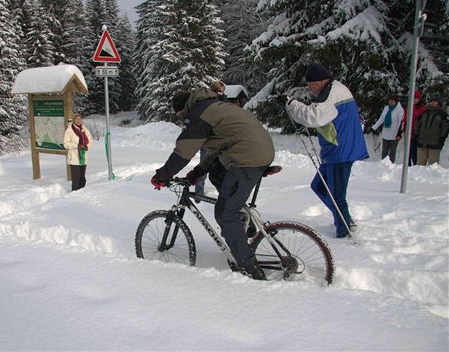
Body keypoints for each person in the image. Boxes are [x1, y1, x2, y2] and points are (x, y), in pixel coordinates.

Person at [151, 87, 275, 280]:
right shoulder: (214, 106)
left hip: (247, 156)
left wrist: (163, 175)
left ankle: (249, 268)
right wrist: (197, 172)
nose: (181, 119)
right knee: (217, 175)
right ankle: (242, 225)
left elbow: (183, 151)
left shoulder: (198, 114)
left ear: (183, 109)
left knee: (226, 215)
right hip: (256, 150)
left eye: (179, 115)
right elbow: (219, 150)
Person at [280, 63, 368, 238]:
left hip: (340, 151)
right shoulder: (335, 90)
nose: (309, 88)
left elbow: (314, 117)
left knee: (337, 195)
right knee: (319, 186)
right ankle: (344, 219)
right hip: (337, 150)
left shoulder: (331, 94)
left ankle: (344, 232)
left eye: (309, 84)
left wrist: (290, 104)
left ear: (320, 81)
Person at [194, 80, 228, 202]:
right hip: (208, 141)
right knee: (203, 169)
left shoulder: (224, 103)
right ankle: (198, 195)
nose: (221, 93)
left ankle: (224, 198)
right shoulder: (206, 103)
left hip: (221, 142)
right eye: (218, 91)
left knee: (220, 172)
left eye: (222, 91)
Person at [367, 94, 404, 163]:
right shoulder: (386, 108)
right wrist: (373, 128)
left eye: (392, 101)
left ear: (396, 102)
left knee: (392, 151)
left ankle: (391, 164)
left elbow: (401, 122)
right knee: (384, 151)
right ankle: (383, 164)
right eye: (389, 101)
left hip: (394, 134)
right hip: (386, 133)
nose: (390, 102)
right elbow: (381, 119)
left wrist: (399, 133)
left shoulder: (399, 110)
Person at [414, 94, 449, 165]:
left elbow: (445, 129)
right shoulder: (424, 113)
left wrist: (441, 141)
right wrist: (416, 136)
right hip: (422, 143)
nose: (433, 102)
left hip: (434, 144)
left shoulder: (443, 115)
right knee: (420, 165)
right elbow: (417, 125)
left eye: (435, 101)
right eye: (432, 101)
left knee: (433, 166)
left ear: (438, 102)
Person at [63, 113, 92, 191]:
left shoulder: (85, 130)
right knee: (76, 177)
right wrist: (77, 146)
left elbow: (90, 141)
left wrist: (86, 147)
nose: (78, 120)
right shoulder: (69, 130)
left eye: (79, 119)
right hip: (74, 157)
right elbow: (66, 144)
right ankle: (74, 193)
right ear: (73, 120)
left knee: (82, 177)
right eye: (76, 119)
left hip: (83, 156)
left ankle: (81, 193)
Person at [397, 90, 427, 166]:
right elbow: (403, 121)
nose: (413, 100)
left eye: (415, 98)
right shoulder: (408, 108)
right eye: (412, 98)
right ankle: (408, 167)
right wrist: (399, 132)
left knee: (415, 154)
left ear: (419, 99)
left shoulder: (423, 109)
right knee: (408, 154)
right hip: (408, 135)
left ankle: (416, 169)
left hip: (418, 136)